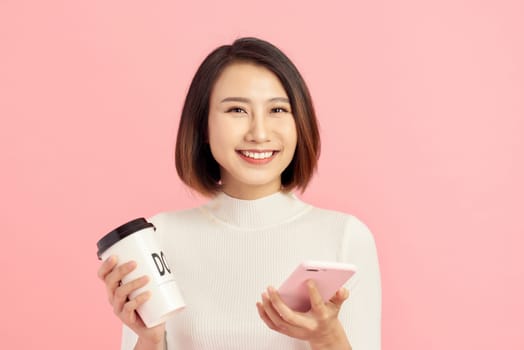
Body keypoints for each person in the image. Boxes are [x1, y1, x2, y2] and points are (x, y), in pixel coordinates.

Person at [97, 37, 381, 350]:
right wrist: (148, 340)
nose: (259, 133)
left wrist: (327, 338)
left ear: (299, 122)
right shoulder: (157, 238)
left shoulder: (344, 237)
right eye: (236, 110)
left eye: (277, 109)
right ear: (203, 126)